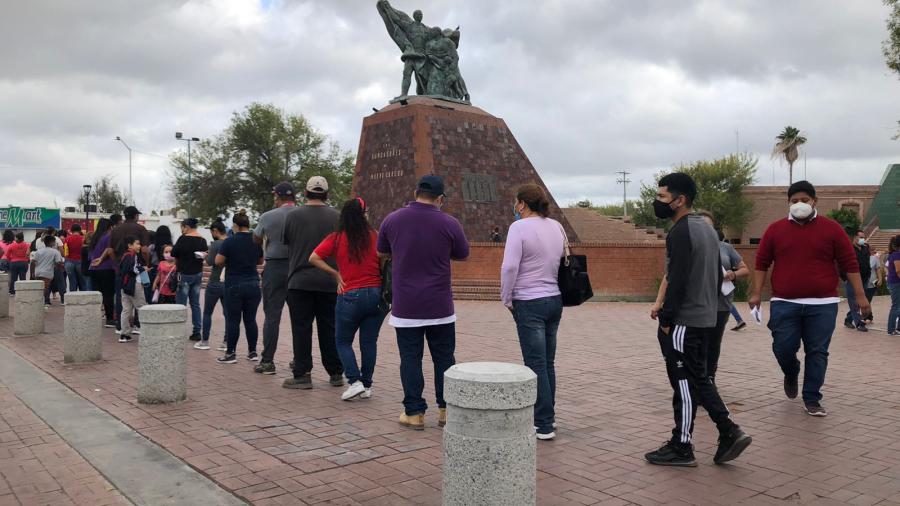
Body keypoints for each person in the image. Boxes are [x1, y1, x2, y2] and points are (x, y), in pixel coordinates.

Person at [645, 172, 751, 467]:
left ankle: (684, 445)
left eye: (662, 196)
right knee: (699, 378)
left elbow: (677, 278)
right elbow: (713, 275)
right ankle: (727, 431)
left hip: (685, 319)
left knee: (684, 382)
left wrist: (666, 318)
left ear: (680, 200)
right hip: (705, 316)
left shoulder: (680, 232)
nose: (657, 201)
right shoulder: (706, 229)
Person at [749, 181, 870, 417]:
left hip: (823, 304)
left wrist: (860, 296)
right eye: (794, 201)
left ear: (815, 201)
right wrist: (756, 293)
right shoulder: (775, 229)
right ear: (788, 203)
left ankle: (812, 398)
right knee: (783, 347)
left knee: (817, 351)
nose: (799, 204)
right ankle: (791, 370)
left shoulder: (832, 229)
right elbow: (762, 262)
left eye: (804, 200)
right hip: (785, 302)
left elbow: (849, 263)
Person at [377, 174, 470, 430]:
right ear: (440, 198)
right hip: (440, 305)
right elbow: (462, 254)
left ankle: (414, 412)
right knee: (444, 358)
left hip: (406, 306)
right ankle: (446, 410)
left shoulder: (392, 219)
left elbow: (381, 251)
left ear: (415, 193)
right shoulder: (450, 223)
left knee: (410, 359)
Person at [501, 184, 564, 441]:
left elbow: (509, 267)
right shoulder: (557, 226)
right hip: (554, 298)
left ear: (523, 204)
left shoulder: (518, 228)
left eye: (516, 202)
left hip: (529, 300)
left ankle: (543, 423)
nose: (515, 207)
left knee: (535, 363)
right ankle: (549, 415)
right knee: (547, 362)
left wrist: (506, 297)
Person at [310, 197, 386, 401]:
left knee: (342, 341)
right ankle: (367, 385)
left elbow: (313, 257)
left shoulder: (336, 238)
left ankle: (354, 381)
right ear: (363, 215)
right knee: (369, 343)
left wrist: (335, 274)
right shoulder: (375, 235)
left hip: (350, 293)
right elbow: (384, 259)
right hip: (375, 294)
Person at [282, 176, 344, 389]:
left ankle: (302, 374)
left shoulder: (292, 216)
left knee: (301, 329)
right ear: (327, 194)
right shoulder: (337, 217)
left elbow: (287, 243)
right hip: (329, 281)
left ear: (305, 192)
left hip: (299, 281)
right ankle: (335, 372)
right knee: (329, 328)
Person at [697, 211, 750, 383]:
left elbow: (745, 269)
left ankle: (709, 378)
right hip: (697, 303)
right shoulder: (689, 246)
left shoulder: (726, 247)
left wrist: (732, 274)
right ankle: (697, 377)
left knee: (713, 343)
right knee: (697, 342)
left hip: (721, 303)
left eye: (708, 226)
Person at [253, 182, 298, 375]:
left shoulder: (268, 216)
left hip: (274, 267)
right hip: (298, 267)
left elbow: (256, 238)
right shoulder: (302, 214)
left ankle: (268, 361)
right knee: (300, 318)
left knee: (272, 316)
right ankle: (299, 360)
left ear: (277, 197)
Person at [215, 211, 264, 364]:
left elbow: (218, 261)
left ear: (235, 225)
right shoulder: (256, 240)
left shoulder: (229, 241)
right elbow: (260, 261)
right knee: (250, 319)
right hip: (253, 284)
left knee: (233, 320)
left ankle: (230, 354)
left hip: (234, 283)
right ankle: (252, 352)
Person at [110, 207, 150, 332]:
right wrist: (146, 264)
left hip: (121, 270)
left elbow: (110, 250)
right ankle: (138, 325)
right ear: (135, 216)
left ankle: (121, 327)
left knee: (121, 298)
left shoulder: (115, 229)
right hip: (137, 270)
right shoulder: (141, 229)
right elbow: (144, 250)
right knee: (140, 298)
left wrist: (117, 263)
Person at [172, 218, 208, 340]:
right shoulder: (202, 240)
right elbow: (203, 256)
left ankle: (178, 330)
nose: (181, 230)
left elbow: (173, 253)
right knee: (195, 304)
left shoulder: (183, 239)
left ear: (186, 227)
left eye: (182, 228)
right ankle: (197, 332)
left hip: (184, 274)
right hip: (197, 274)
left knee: (181, 304)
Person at [200, 220, 229, 351]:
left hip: (215, 281)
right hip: (228, 282)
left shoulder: (216, 244)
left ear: (215, 231)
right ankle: (226, 342)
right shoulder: (231, 242)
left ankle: (205, 341)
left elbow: (210, 262)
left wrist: (205, 256)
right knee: (228, 313)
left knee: (208, 312)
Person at [117, 236, 147, 343]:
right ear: (130, 245)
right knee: (142, 308)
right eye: (137, 243)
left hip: (125, 286)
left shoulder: (125, 256)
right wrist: (143, 269)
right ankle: (147, 331)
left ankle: (124, 334)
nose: (139, 246)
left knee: (126, 310)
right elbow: (132, 269)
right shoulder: (131, 256)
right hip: (134, 285)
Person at [89, 218, 117, 326]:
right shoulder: (109, 236)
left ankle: (93, 317)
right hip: (106, 268)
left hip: (93, 268)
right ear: (110, 226)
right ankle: (109, 318)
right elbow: (110, 251)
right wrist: (116, 263)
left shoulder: (94, 237)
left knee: (96, 294)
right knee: (108, 294)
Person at [843, 230, 872, 332]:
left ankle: (848, 319)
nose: (862, 239)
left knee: (860, 303)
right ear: (855, 238)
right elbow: (842, 264)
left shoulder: (865, 248)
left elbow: (867, 263)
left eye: (863, 237)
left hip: (864, 279)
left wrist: (868, 274)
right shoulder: (849, 249)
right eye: (860, 237)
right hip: (852, 280)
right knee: (854, 303)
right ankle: (859, 323)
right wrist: (845, 277)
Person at [33, 235, 64, 307]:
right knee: (46, 288)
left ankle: (45, 301)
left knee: (41, 288)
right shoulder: (55, 252)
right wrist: (60, 268)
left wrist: (32, 272)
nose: (55, 243)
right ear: (51, 242)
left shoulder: (38, 251)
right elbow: (58, 262)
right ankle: (43, 302)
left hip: (38, 272)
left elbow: (33, 262)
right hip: (48, 273)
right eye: (54, 242)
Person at [64, 224, 87, 292]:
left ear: (71, 230)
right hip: (80, 261)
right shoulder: (83, 238)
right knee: (83, 282)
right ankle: (83, 297)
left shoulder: (67, 239)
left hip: (69, 262)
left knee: (72, 282)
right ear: (80, 230)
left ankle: (72, 296)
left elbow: (65, 251)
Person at [887, 236, 900, 336]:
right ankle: (891, 329)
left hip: (895, 282)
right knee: (896, 306)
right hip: (896, 283)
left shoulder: (894, 254)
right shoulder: (897, 255)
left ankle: (898, 328)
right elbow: (898, 271)